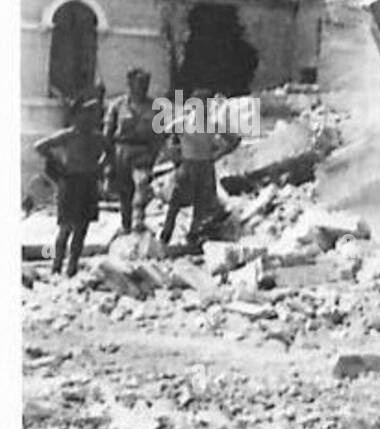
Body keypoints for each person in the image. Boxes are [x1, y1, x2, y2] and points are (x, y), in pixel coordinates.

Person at [33, 99, 108, 277]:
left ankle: (72, 266)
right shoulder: (67, 136)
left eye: (91, 115)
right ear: (76, 117)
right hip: (70, 182)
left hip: (88, 183)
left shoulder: (97, 137)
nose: (88, 119)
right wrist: (57, 164)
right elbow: (40, 146)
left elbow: (110, 152)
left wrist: (100, 166)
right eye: (84, 114)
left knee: (82, 229)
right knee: (65, 227)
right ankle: (56, 266)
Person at [159, 97, 239, 247]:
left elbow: (234, 140)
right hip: (195, 165)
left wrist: (218, 154)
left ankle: (186, 236)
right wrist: (173, 153)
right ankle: (172, 235)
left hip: (197, 165)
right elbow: (234, 140)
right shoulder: (190, 123)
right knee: (182, 202)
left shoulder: (206, 124)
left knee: (194, 203)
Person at [103, 68, 161, 233]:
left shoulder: (155, 107)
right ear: (130, 84)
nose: (143, 87)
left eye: (146, 83)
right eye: (139, 83)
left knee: (142, 184)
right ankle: (126, 224)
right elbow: (108, 132)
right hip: (121, 150)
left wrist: (155, 154)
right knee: (125, 192)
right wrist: (108, 159)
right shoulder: (117, 105)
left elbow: (160, 134)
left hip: (143, 151)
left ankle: (138, 220)